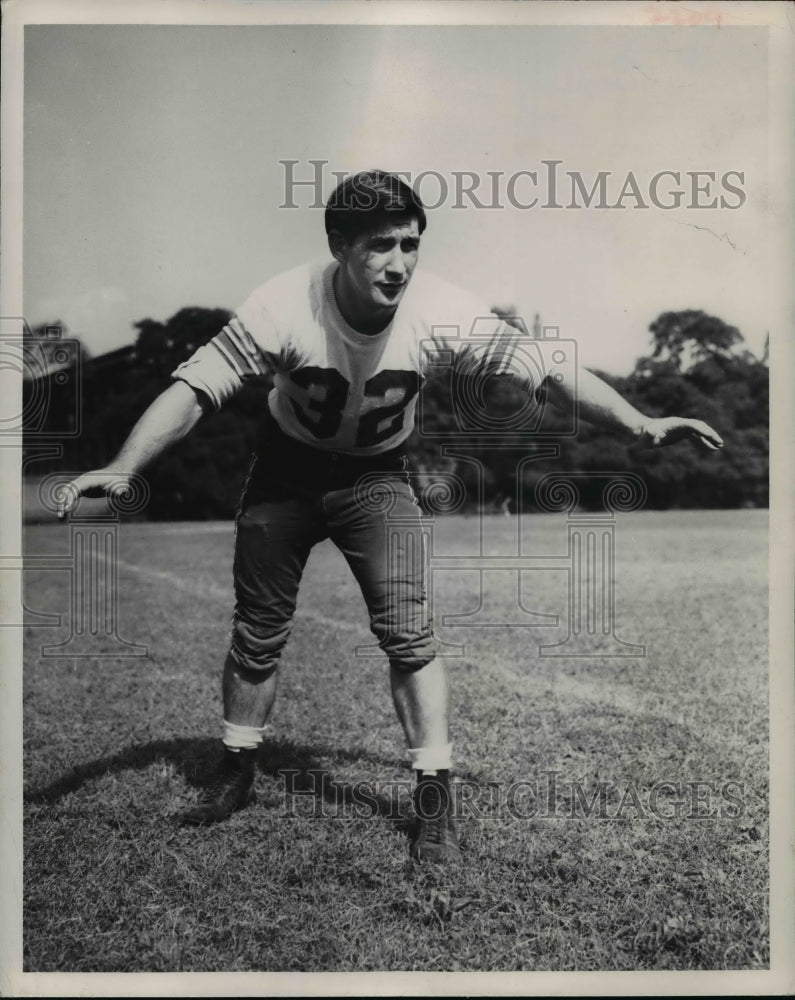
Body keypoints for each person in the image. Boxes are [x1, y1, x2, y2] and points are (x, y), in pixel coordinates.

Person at [58, 169, 723, 864]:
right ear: (339, 244)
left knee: (410, 635)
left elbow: (550, 368)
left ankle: (432, 798)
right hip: (284, 473)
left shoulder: (439, 309)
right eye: (381, 245)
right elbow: (195, 389)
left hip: (375, 478)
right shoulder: (284, 303)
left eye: (410, 244)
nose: (399, 263)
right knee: (257, 634)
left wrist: (639, 423)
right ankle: (235, 769)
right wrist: (124, 467)